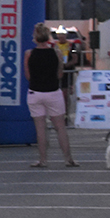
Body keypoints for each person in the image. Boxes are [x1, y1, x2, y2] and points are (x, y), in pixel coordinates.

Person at [25, 22, 78, 168]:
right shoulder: (57, 53)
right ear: (48, 36)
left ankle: (42, 160)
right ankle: (68, 158)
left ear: (35, 37)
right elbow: (60, 74)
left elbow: (27, 75)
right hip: (53, 92)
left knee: (40, 128)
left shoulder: (29, 54)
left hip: (35, 92)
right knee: (60, 127)